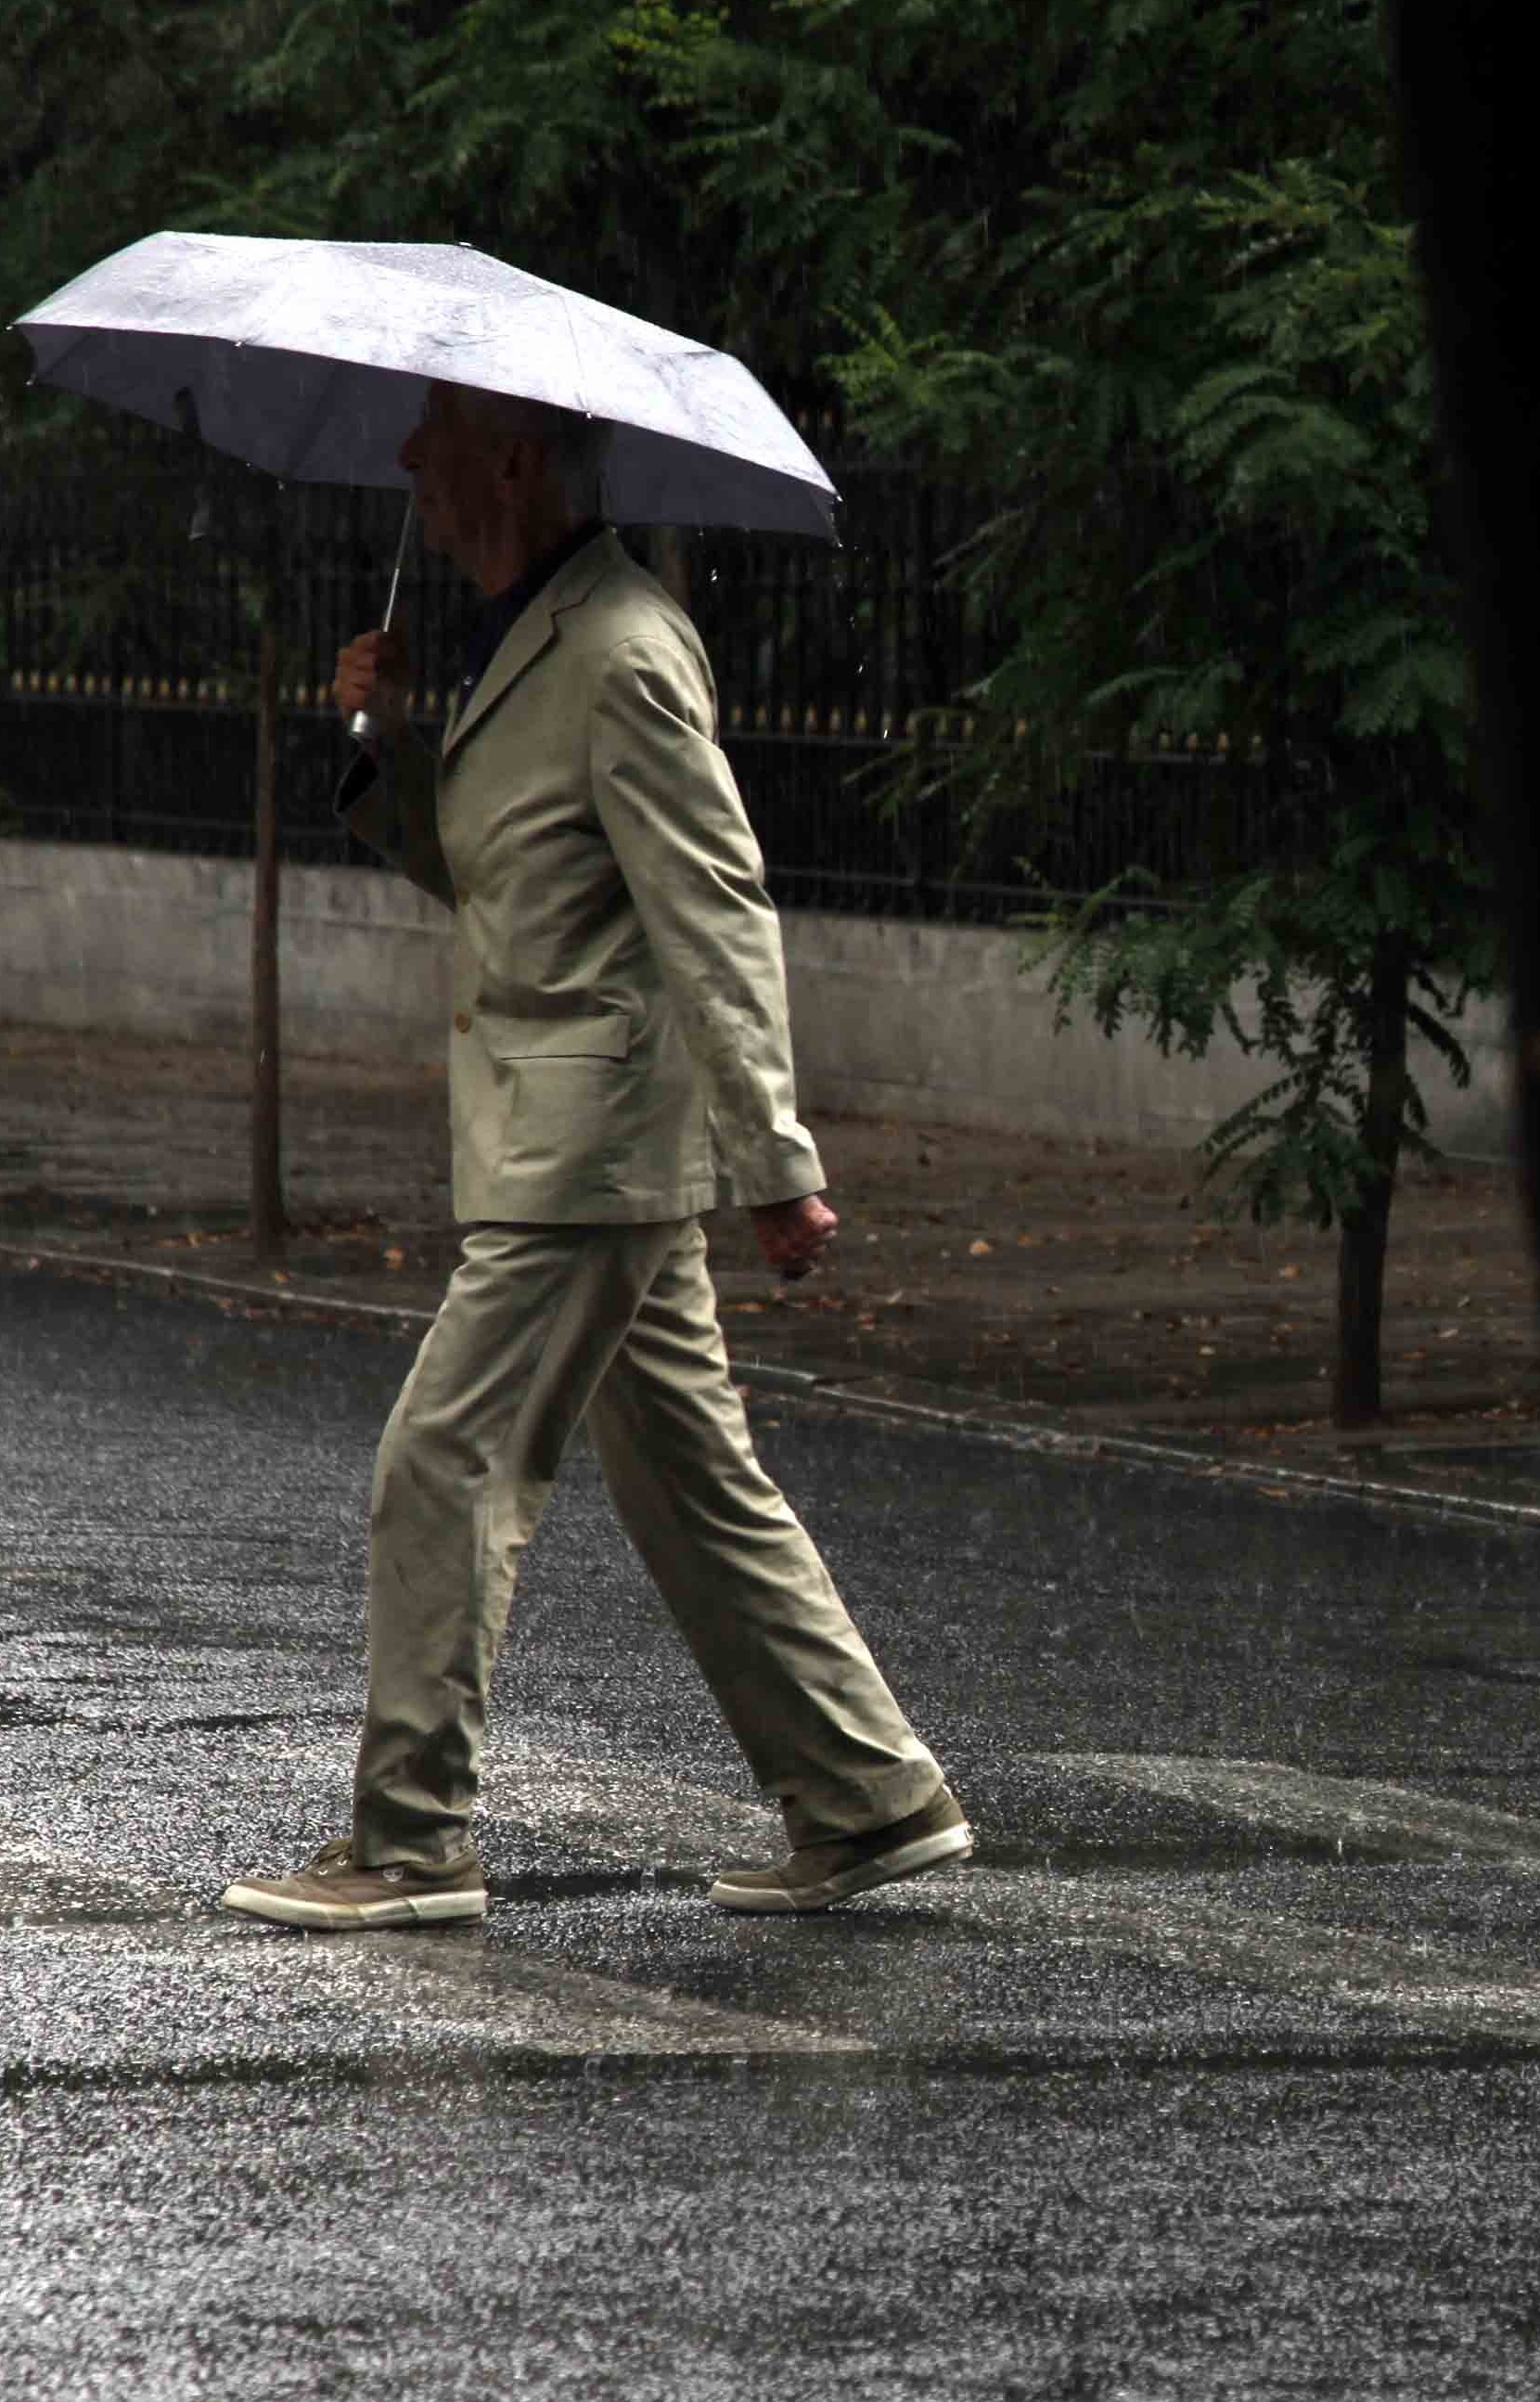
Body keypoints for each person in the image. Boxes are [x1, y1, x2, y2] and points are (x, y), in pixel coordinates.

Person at [220, 378, 969, 1932]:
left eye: (434, 434)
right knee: (690, 1480)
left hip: (592, 1142)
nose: (409, 459)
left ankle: (410, 1839)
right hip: (565, 1126)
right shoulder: (519, 639)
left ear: (514, 456)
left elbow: (714, 908)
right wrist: (381, 741)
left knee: (444, 1459)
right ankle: (867, 1798)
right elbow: (500, 885)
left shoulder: (619, 648)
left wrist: (777, 1157)